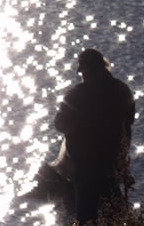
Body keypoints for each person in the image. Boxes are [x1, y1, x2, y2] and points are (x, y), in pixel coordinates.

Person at [54, 48, 135, 225]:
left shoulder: (76, 95)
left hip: (85, 165)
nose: (81, 75)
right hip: (112, 163)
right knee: (115, 212)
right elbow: (129, 120)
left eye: (82, 71)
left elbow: (59, 124)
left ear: (88, 70)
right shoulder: (122, 90)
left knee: (85, 215)